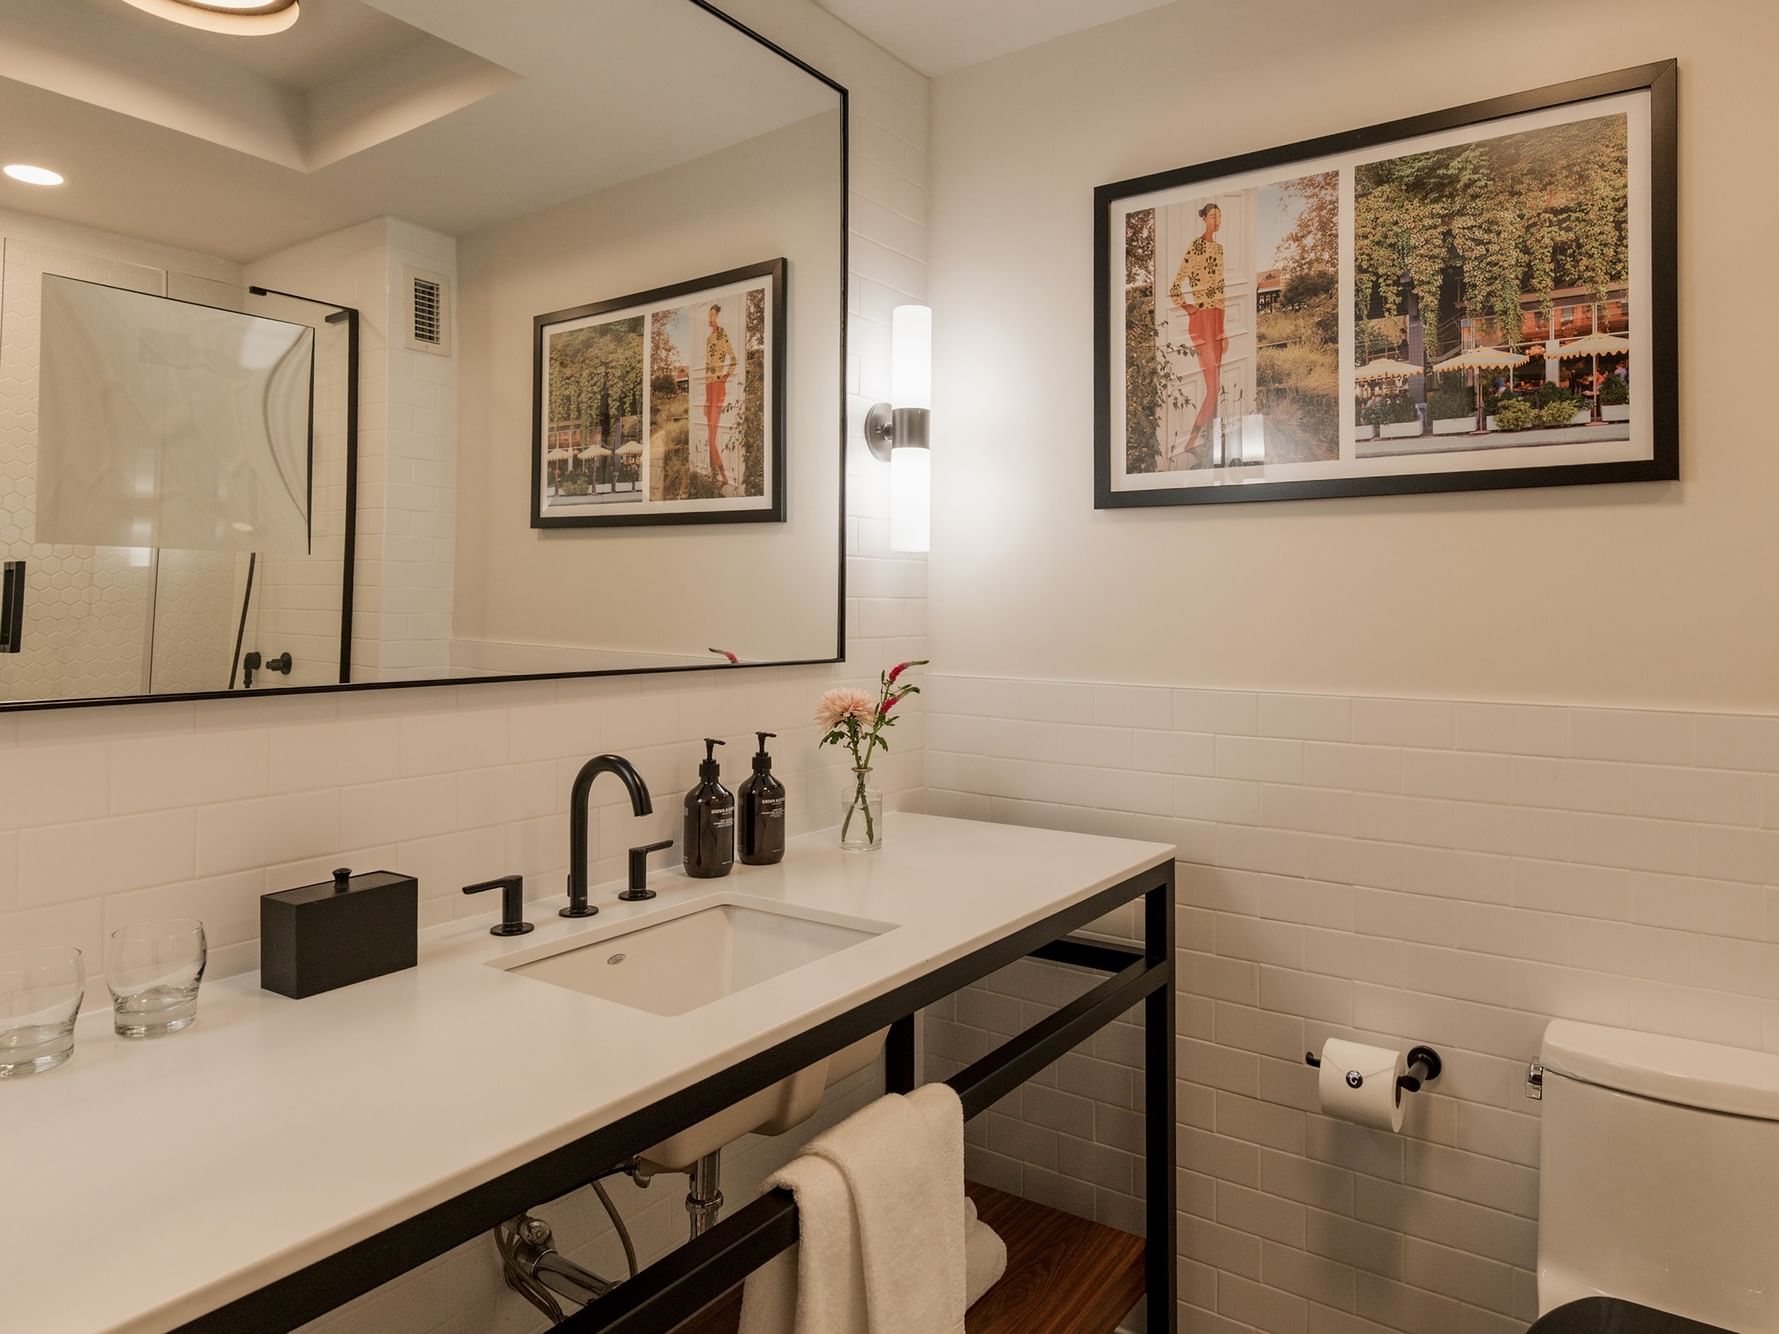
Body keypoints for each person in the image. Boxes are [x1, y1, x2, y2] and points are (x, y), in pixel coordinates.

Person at [1169, 201, 1227, 461]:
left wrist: (1223, 329)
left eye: (1219, 217)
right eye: (1213, 216)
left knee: (1215, 385)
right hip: (1202, 320)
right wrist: (1190, 309)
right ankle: (1191, 441)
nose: (1217, 221)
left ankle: (1212, 442)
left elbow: (1222, 291)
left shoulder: (1220, 249)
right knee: (1213, 387)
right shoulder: (1196, 247)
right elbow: (1174, 289)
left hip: (1217, 319)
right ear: (1204, 218)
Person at [704, 305, 738, 492]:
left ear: (718, 316)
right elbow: (708, 366)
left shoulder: (722, 335)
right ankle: (713, 475)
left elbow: (733, 359)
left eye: (712, 314)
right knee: (711, 438)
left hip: (718, 387)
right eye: (708, 314)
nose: (709, 318)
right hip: (709, 388)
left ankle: (724, 477)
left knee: (711, 437)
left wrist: (725, 377)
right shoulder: (708, 338)